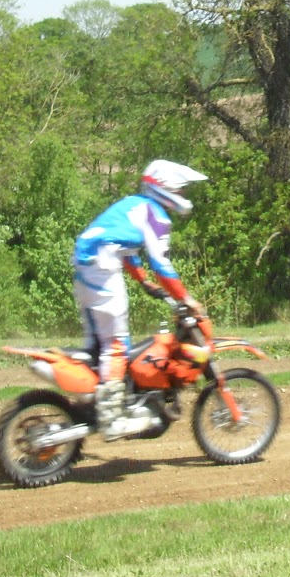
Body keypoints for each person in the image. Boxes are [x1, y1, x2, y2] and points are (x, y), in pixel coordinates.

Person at [71, 159, 207, 434]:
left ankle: (91, 403)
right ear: (166, 189)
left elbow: (127, 249)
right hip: (102, 267)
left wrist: (142, 280)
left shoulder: (134, 205)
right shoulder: (156, 215)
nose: (183, 196)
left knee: (96, 345)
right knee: (117, 344)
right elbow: (162, 265)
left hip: (86, 267)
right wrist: (187, 299)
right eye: (181, 190)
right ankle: (111, 416)